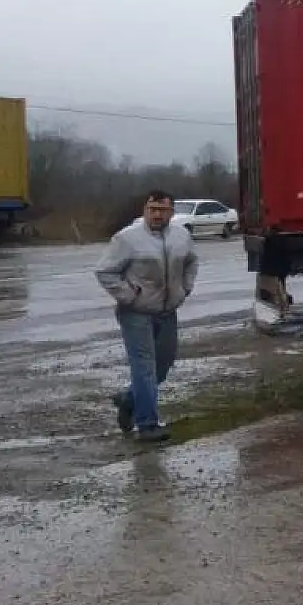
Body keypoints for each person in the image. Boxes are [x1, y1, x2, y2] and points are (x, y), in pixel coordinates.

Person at [95, 190, 199, 444]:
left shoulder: (181, 236)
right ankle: (147, 424)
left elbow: (191, 263)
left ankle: (130, 400)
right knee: (144, 369)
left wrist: (184, 289)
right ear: (144, 211)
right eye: (152, 209)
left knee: (162, 367)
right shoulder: (127, 238)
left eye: (162, 210)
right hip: (136, 314)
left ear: (171, 213)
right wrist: (130, 296)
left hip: (167, 312)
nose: (156, 214)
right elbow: (105, 271)